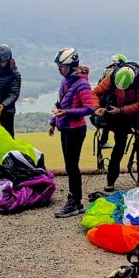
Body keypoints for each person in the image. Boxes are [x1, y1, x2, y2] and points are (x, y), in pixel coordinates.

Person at [92, 59, 139, 190]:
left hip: (136, 112)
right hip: (117, 113)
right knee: (119, 144)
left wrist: (121, 110)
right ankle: (111, 180)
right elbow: (95, 93)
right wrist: (97, 108)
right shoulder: (112, 77)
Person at [48, 48, 96, 218]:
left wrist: (67, 113)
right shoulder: (67, 81)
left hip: (76, 130)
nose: (59, 69)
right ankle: (76, 201)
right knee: (70, 166)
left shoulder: (82, 84)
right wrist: (53, 122)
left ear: (70, 65)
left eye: (62, 66)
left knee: (72, 166)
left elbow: (90, 109)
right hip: (66, 128)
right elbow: (61, 104)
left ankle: (74, 202)